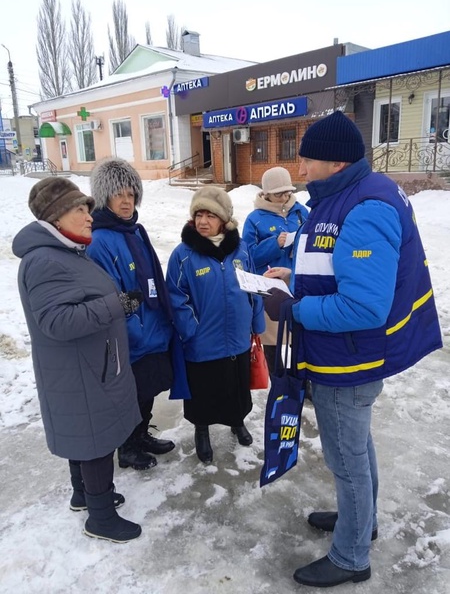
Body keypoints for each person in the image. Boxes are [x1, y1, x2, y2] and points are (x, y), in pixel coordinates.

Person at [263, 111, 442, 587]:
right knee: (356, 449)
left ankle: (350, 556)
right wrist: (293, 277)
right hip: (340, 352)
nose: (301, 171)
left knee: (346, 460)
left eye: (307, 161)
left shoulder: (365, 208)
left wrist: (294, 309)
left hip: (346, 359)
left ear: (336, 163)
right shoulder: (345, 194)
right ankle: (361, 521)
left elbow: (364, 307)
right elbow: (333, 264)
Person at [12, 176, 144, 543]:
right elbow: (56, 321)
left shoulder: (66, 251)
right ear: (56, 218)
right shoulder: (45, 260)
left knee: (86, 438)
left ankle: (84, 494)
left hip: (86, 366)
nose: (89, 216)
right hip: (81, 371)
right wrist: (115, 305)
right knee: (95, 442)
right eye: (79, 209)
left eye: (88, 208)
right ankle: (100, 518)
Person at [166, 186, 265, 463]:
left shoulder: (242, 250)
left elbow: (253, 288)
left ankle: (237, 422)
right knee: (203, 392)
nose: (203, 221)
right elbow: (175, 297)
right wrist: (191, 330)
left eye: (210, 215)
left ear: (224, 219)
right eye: (199, 214)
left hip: (237, 338)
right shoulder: (183, 255)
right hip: (202, 342)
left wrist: (256, 321)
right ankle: (202, 430)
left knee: (236, 386)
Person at [88, 157, 175, 471]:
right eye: (118, 194)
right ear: (105, 197)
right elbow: (109, 295)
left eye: (131, 194)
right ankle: (127, 447)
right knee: (131, 395)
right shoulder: (99, 241)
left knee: (148, 389)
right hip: (130, 335)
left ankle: (141, 435)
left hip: (152, 328)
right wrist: (135, 330)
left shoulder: (135, 231)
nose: (126, 201)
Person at [242, 166, 308, 372]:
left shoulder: (301, 212)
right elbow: (248, 255)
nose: (285, 197)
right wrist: (274, 244)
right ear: (267, 194)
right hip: (268, 286)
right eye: (279, 193)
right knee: (272, 338)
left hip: (296, 282)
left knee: (298, 335)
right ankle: (277, 378)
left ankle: (300, 381)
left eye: (288, 192)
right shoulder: (255, 219)